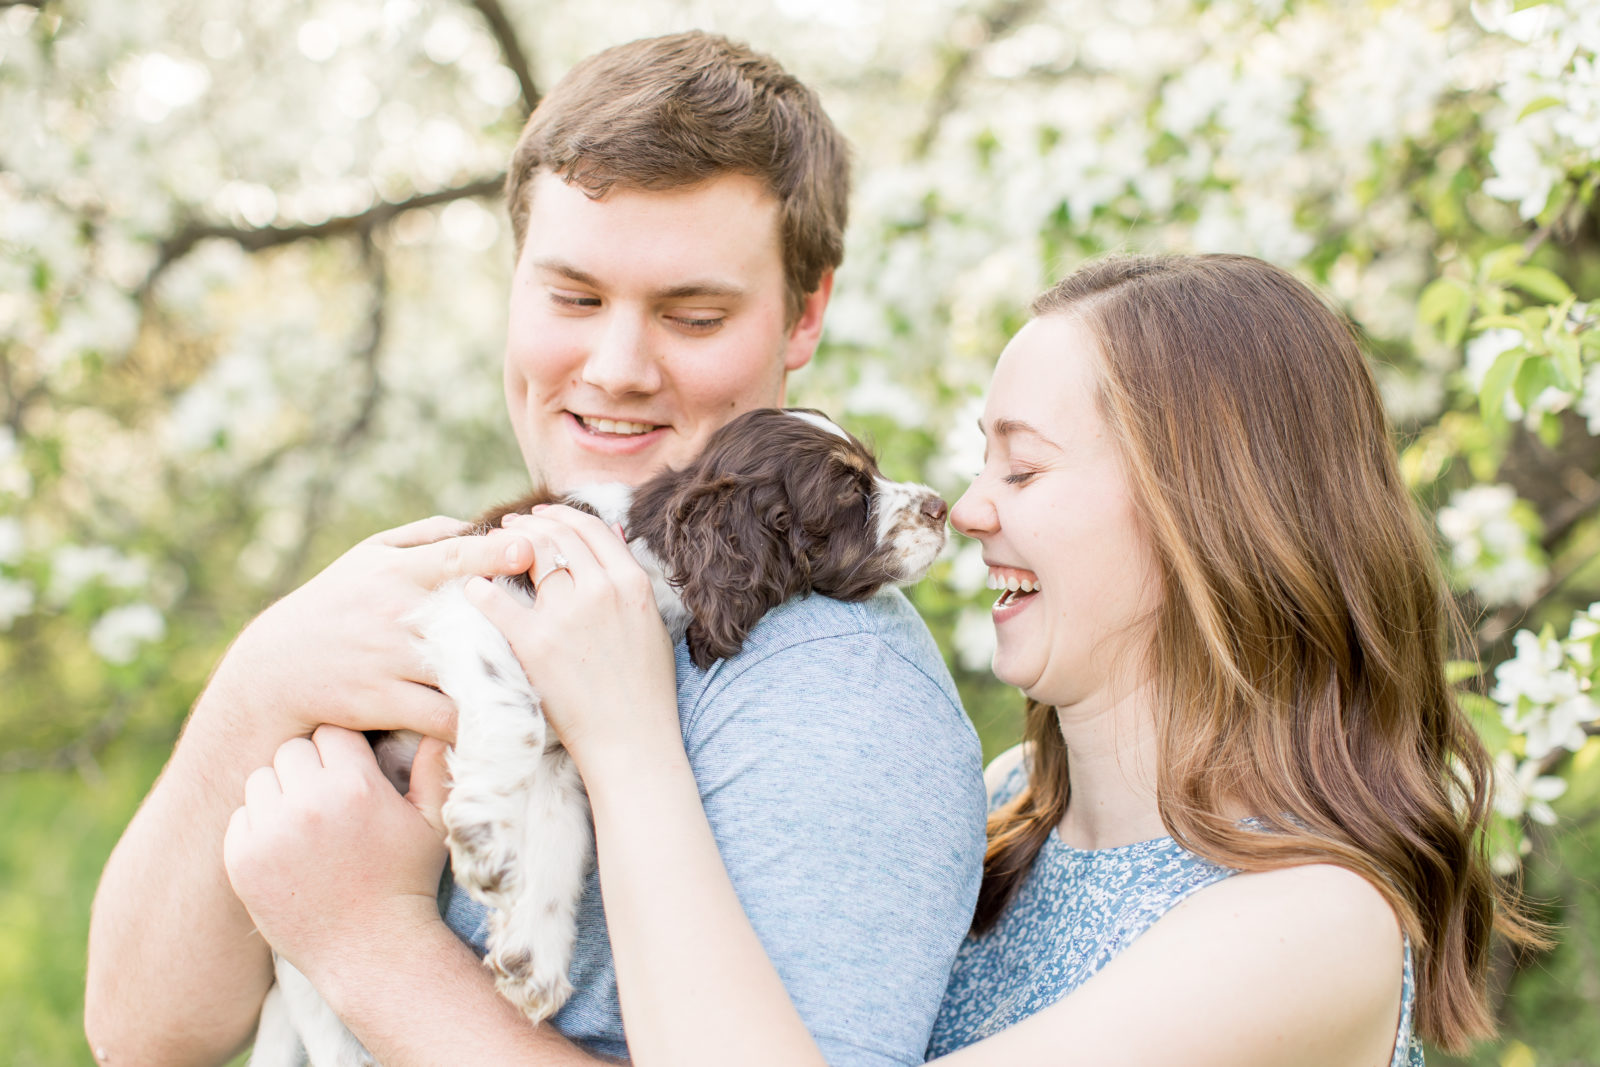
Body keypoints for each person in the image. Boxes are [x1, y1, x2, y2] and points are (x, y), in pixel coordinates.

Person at [84, 32, 986, 1066]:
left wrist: (370, 944)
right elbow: (139, 1034)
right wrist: (257, 687)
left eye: (692, 314)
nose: (615, 368)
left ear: (804, 314)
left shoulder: (827, 682)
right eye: (571, 297)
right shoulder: (447, 576)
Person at [473, 253, 1542, 1066]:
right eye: (983, 459)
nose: (972, 508)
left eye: (1023, 469)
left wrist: (625, 747)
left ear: (1203, 514)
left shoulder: (1311, 923)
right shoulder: (1002, 810)